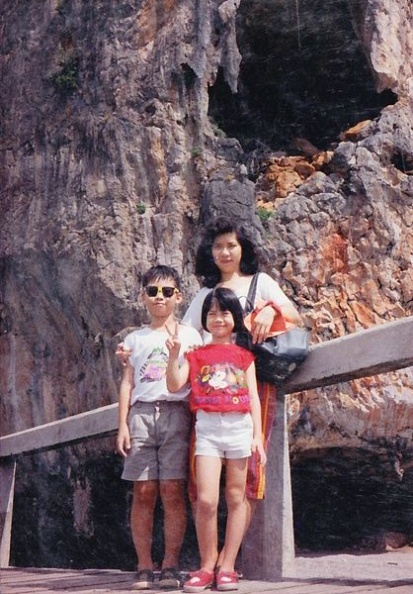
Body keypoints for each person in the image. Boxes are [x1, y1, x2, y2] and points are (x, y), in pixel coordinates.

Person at [182, 218, 302, 545]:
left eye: (231, 245)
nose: (224, 252)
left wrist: (270, 310)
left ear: (242, 249)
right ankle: (210, 559)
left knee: (249, 473)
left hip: (253, 385)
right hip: (210, 393)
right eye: (218, 246)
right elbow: (186, 333)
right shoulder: (206, 294)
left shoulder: (259, 282)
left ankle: (228, 561)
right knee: (201, 476)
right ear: (210, 252)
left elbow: (294, 317)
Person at [166, 288, 267, 592]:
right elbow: (173, 385)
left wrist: (258, 437)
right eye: (211, 313)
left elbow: (253, 398)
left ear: (235, 319)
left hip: (239, 429)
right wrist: (173, 357)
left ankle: (228, 567)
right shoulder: (195, 355)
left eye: (224, 313)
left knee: (236, 498)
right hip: (208, 430)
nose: (218, 319)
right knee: (207, 499)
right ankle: (206, 564)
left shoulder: (244, 356)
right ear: (204, 319)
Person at [116, 265, 202, 590]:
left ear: (178, 296)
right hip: (140, 415)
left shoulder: (190, 336)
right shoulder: (134, 339)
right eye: (152, 291)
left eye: (167, 291)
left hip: (176, 413)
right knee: (143, 490)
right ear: (143, 296)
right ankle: (143, 566)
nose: (159, 297)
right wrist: (122, 425)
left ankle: (170, 564)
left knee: (172, 491)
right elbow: (127, 383)